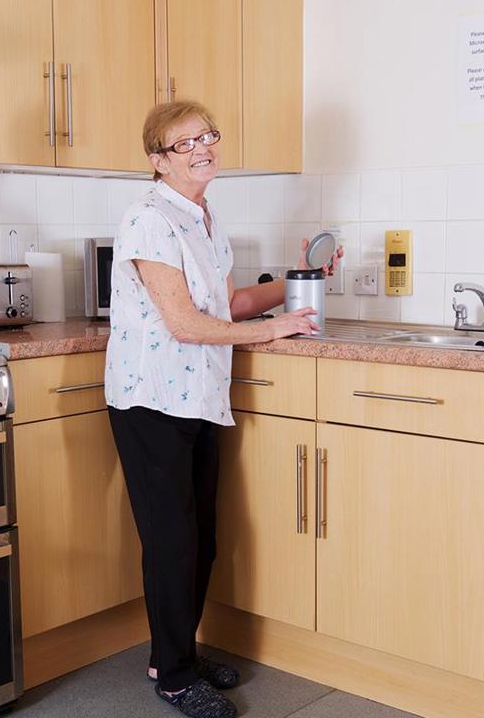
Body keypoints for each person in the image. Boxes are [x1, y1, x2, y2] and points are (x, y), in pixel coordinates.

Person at [104, 100, 339, 718]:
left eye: (208, 136)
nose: (203, 148)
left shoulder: (204, 217)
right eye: (185, 144)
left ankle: (174, 652)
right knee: (173, 539)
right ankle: (176, 676)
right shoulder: (148, 219)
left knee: (201, 538)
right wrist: (274, 330)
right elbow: (183, 322)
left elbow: (227, 303)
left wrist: (301, 280)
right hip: (152, 397)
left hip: (199, 395)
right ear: (158, 160)